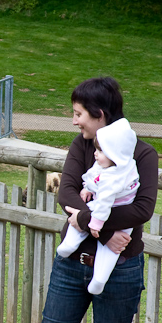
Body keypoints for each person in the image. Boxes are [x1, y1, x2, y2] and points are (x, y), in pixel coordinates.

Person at [0, 77, 158, 323]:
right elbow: (66, 192)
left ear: (99, 115)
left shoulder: (143, 154)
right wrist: (103, 231)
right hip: (71, 269)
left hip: (120, 273)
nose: (75, 123)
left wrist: (86, 222)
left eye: (78, 115)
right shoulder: (82, 147)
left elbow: (143, 210)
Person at [55, 117, 139, 295]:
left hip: (115, 214)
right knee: (82, 216)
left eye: (100, 150)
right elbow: (93, 175)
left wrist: (95, 226)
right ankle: (69, 245)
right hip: (102, 206)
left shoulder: (114, 178)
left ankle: (99, 279)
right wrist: (87, 187)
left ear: (114, 153)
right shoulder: (106, 165)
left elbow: (104, 204)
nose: (95, 153)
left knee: (108, 249)